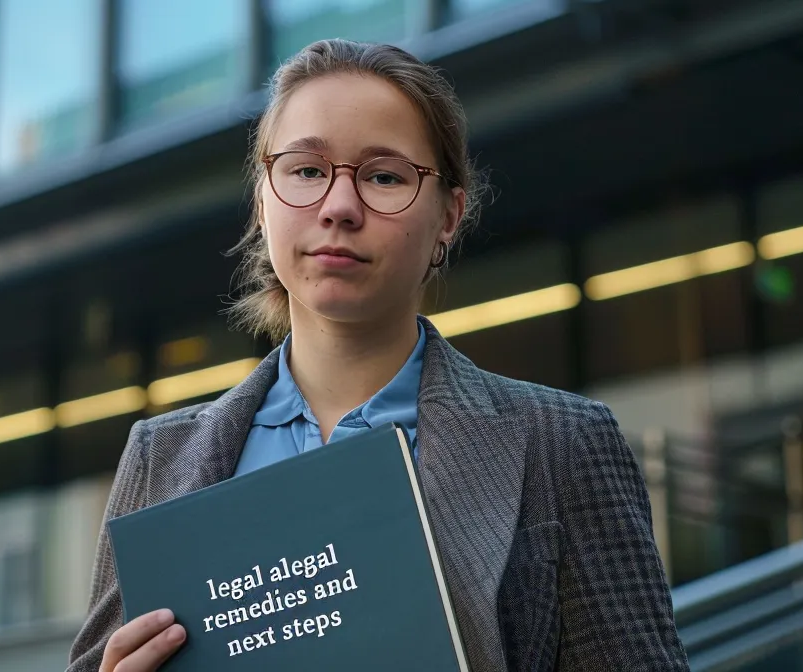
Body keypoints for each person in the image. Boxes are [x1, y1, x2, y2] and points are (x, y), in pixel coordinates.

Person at [66, 39, 688, 672]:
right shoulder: (159, 458)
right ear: (262, 198)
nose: (339, 208)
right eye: (306, 170)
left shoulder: (563, 443)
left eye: (384, 177)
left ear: (449, 214)